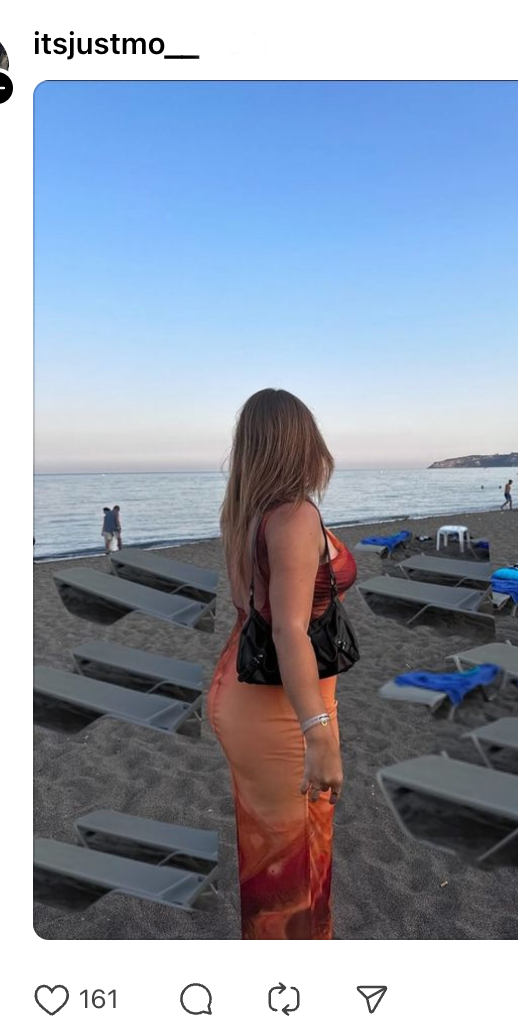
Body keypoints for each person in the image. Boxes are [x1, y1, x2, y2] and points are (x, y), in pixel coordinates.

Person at [207, 389, 357, 940]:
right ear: (301, 442)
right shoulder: (295, 515)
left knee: (275, 858)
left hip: (245, 692)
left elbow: (248, 609)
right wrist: (318, 732)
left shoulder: (244, 514)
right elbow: (288, 629)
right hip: (283, 711)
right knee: (291, 871)